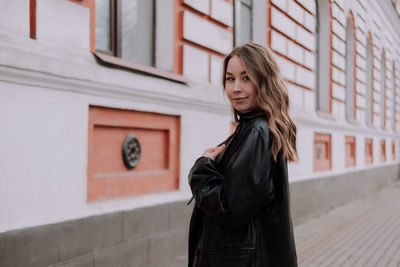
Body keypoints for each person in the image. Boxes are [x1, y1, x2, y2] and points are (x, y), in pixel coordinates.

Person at [187, 43, 299, 267]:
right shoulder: (251, 128)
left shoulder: (257, 132)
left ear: (264, 81)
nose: (235, 88)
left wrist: (201, 170)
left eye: (246, 78)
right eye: (230, 79)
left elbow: (230, 208)